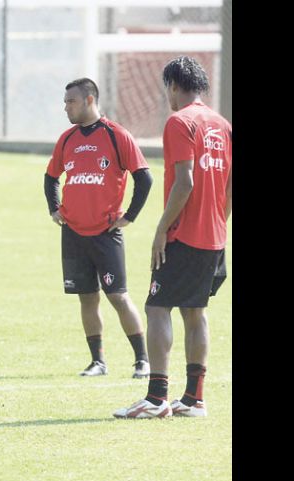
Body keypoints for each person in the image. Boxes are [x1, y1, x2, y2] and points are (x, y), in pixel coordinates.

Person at [114, 56, 231, 418]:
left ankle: (156, 398)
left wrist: (162, 230)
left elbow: (185, 182)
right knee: (195, 312)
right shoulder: (222, 124)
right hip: (214, 237)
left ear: (174, 86)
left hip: (183, 235)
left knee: (157, 307)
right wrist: (218, 221)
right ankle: (194, 399)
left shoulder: (179, 122)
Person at [44, 78, 153, 379]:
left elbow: (144, 178)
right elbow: (51, 176)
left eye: (71, 101)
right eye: (65, 101)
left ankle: (142, 360)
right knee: (87, 297)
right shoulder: (66, 139)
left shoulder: (117, 135)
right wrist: (54, 208)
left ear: (90, 100)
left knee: (117, 296)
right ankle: (98, 361)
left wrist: (129, 216)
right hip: (74, 233)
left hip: (105, 234)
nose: (66, 106)